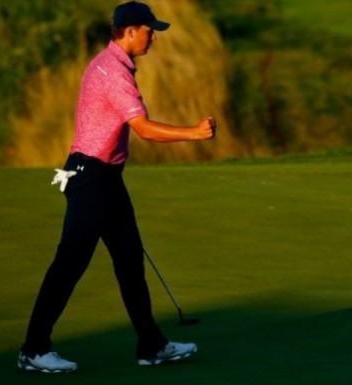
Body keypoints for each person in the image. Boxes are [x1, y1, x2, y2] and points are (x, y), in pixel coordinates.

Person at [17, 1, 216, 373]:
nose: (152, 36)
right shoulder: (112, 71)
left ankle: (151, 345)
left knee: (129, 261)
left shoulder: (114, 64)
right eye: (148, 29)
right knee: (70, 263)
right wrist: (194, 132)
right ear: (128, 31)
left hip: (106, 178)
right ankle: (33, 349)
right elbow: (143, 128)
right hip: (90, 178)